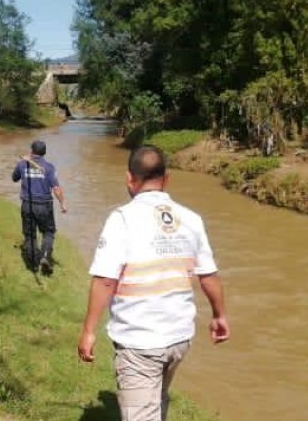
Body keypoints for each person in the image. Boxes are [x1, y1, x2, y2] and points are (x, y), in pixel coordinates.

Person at [77, 146, 229, 421]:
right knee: (156, 400)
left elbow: (105, 281)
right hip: (180, 337)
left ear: (129, 179)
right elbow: (208, 274)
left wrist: (89, 331)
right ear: (166, 179)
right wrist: (219, 315)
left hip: (140, 340)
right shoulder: (191, 219)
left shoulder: (122, 219)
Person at [12, 141, 67, 274]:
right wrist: (63, 202)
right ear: (44, 153)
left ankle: (32, 265)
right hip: (44, 206)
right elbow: (56, 188)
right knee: (48, 232)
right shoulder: (49, 167)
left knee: (30, 235)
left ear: (31, 151)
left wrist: (21, 166)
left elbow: (14, 178)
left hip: (27, 205)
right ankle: (45, 256)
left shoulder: (23, 164)